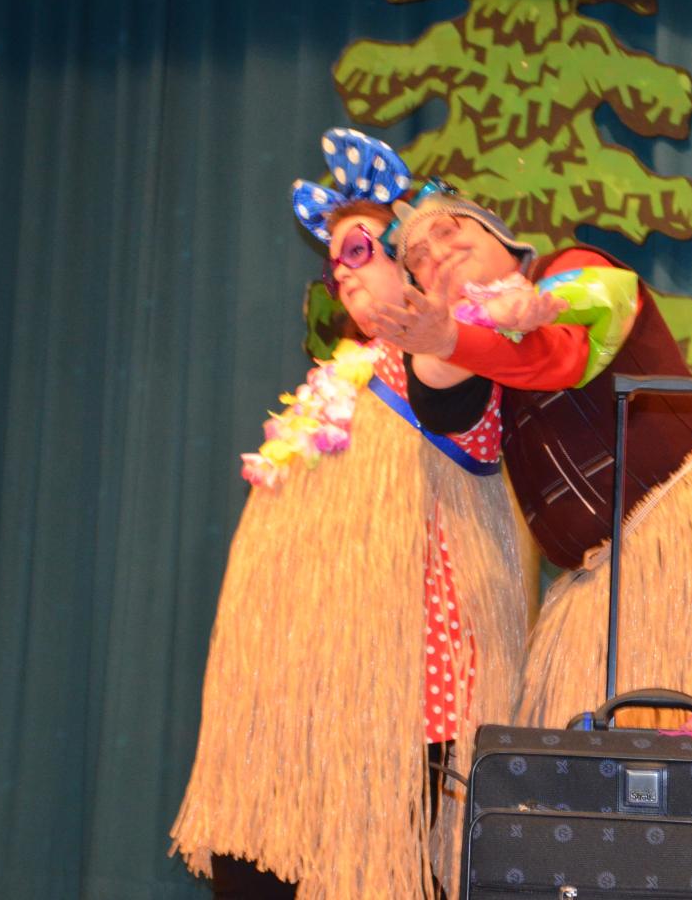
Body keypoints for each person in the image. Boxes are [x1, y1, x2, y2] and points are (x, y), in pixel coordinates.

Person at [169, 132, 529, 900]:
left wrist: (442, 282)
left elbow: (453, 361)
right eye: (336, 263)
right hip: (295, 688)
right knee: (254, 866)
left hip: (398, 694)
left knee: (375, 874)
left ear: (408, 253)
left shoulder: (445, 358)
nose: (344, 271)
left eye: (361, 249)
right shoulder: (345, 375)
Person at [375, 190, 692, 738]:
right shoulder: (471, 355)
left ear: (498, 235)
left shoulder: (575, 269)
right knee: (586, 760)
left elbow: (566, 357)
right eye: (417, 259)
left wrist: (456, 338)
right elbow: (438, 402)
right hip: (590, 584)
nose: (436, 252)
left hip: (684, 539)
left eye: (450, 230)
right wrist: (446, 339)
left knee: (691, 742)